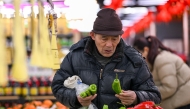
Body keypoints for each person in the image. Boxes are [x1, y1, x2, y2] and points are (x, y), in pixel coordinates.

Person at [51, 8, 161, 109]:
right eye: (104, 38)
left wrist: (137, 97)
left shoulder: (134, 60)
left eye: (114, 39)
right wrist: (76, 98)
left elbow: (155, 95)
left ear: (120, 37)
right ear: (93, 35)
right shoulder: (75, 56)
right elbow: (57, 86)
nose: (109, 44)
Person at [133, 36, 190, 109]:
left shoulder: (162, 60)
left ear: (146, 50)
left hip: (185, 101)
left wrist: (146, 94)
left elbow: (169, 87)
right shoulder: (153, 61)